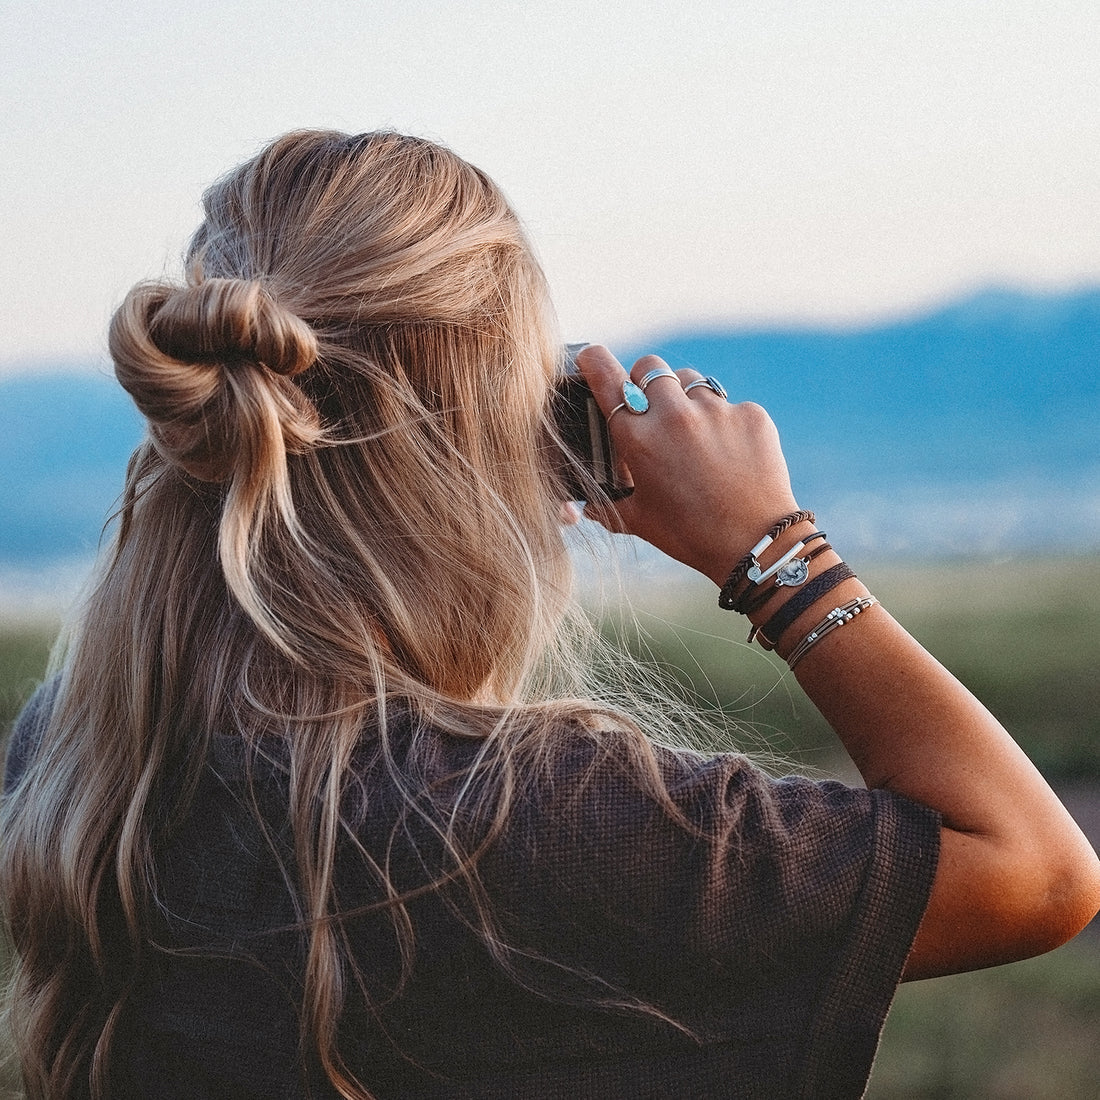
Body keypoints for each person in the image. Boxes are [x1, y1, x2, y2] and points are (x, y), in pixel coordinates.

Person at [2, 129, 1098, 1100]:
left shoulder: (69, 763)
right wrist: (773, 550)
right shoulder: (534, 816)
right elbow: (1034, 869)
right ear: (504, 438)